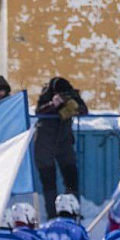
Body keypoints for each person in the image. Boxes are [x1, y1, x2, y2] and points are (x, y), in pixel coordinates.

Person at [33, 77, 88, 219]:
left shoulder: (72, 94)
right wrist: (53, 104)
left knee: (71, 177)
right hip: (45, 143)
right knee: (49, 180)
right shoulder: (46, 96)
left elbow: (83, 110)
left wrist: (71, 105)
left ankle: (73, 211)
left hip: (64, 142)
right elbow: (38, 112)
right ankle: (52, 214)